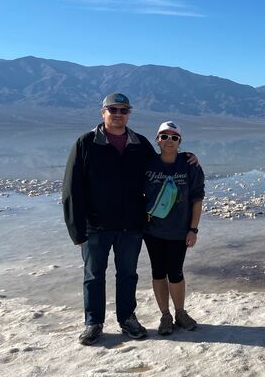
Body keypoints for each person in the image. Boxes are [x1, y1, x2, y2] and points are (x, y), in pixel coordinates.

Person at [62, 93, 197, 345]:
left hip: (131, 225)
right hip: (96, 225)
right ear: (103, 112)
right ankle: (93, 323)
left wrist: (187, 157)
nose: (118, 114)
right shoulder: (86, 143)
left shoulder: (139, 144)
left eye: (123, 110)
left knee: (128, 274)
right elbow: (71, 189)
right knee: (94, 275)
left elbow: (163, 159)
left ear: (129, 114)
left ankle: (127, 319)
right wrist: (76, 230)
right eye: (113, 109)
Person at [143, 121, 204, 335]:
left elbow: (197, 199)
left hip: (179, 230)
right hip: (152, 230)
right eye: (164, 136)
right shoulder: (147, 164)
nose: (169, 141)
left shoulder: (189, 164)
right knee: (158, 271)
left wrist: (193, 229)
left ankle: (180, 312)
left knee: (176, 272)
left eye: (174, 137)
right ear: (157, 139)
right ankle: (165, 316)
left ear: (180, 142)